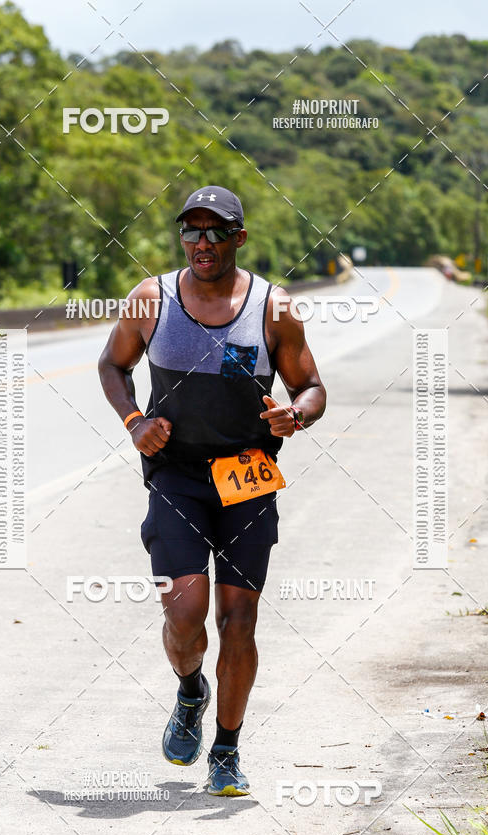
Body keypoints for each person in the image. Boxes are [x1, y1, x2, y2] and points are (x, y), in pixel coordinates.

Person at [99, 185, 326, 796]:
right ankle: (190, 690)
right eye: (191, 231)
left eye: (215, 230)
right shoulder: (153, 299)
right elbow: (111, 365)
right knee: (185, 614)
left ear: (238, 237)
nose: (202, 242)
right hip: (175, 476)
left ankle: (226, 750)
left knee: (239, 620)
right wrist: (134, 422)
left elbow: (311, 386)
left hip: (246, 476)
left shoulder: (273, 308)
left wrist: (296, 414)